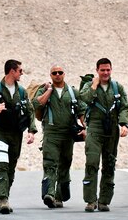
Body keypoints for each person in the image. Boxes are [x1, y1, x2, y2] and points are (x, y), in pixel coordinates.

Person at [0, 59, 37, 215]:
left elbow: (29, 111)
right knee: (2, 164)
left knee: (11, 167)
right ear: (12, 71)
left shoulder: (22, 91)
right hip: (0, 132)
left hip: (16, 133)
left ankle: (5, 197)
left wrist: (32, 131)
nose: (22, 73)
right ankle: (2, 199)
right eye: (20, 71)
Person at [78, 57, 128, 213]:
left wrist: (123, 124)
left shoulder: (117, 88)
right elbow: (84, 99)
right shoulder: (89, 86)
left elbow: (124, 107)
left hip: (112, 130)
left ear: (111, 70)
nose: (105, 73)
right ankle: (90, 200)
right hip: (94, 128)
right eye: (102, 70)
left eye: (108, 70)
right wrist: (94, 85)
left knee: (109, 165)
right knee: (92, 162)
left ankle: (104, 201)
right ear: (97, 71)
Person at [32, 65, 86, 209]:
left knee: (65, 164)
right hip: (51, 133)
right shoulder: (44, 90)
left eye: (60, 72)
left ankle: (59, 196)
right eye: (54, 73)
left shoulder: (72, 92)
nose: (57, 75)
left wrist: (86, 128)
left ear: (64, 74)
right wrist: (49, 90)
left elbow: (81, 111)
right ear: (50, 75)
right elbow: (36, 104)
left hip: (68, 134)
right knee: (50, 164)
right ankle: (49, 194)